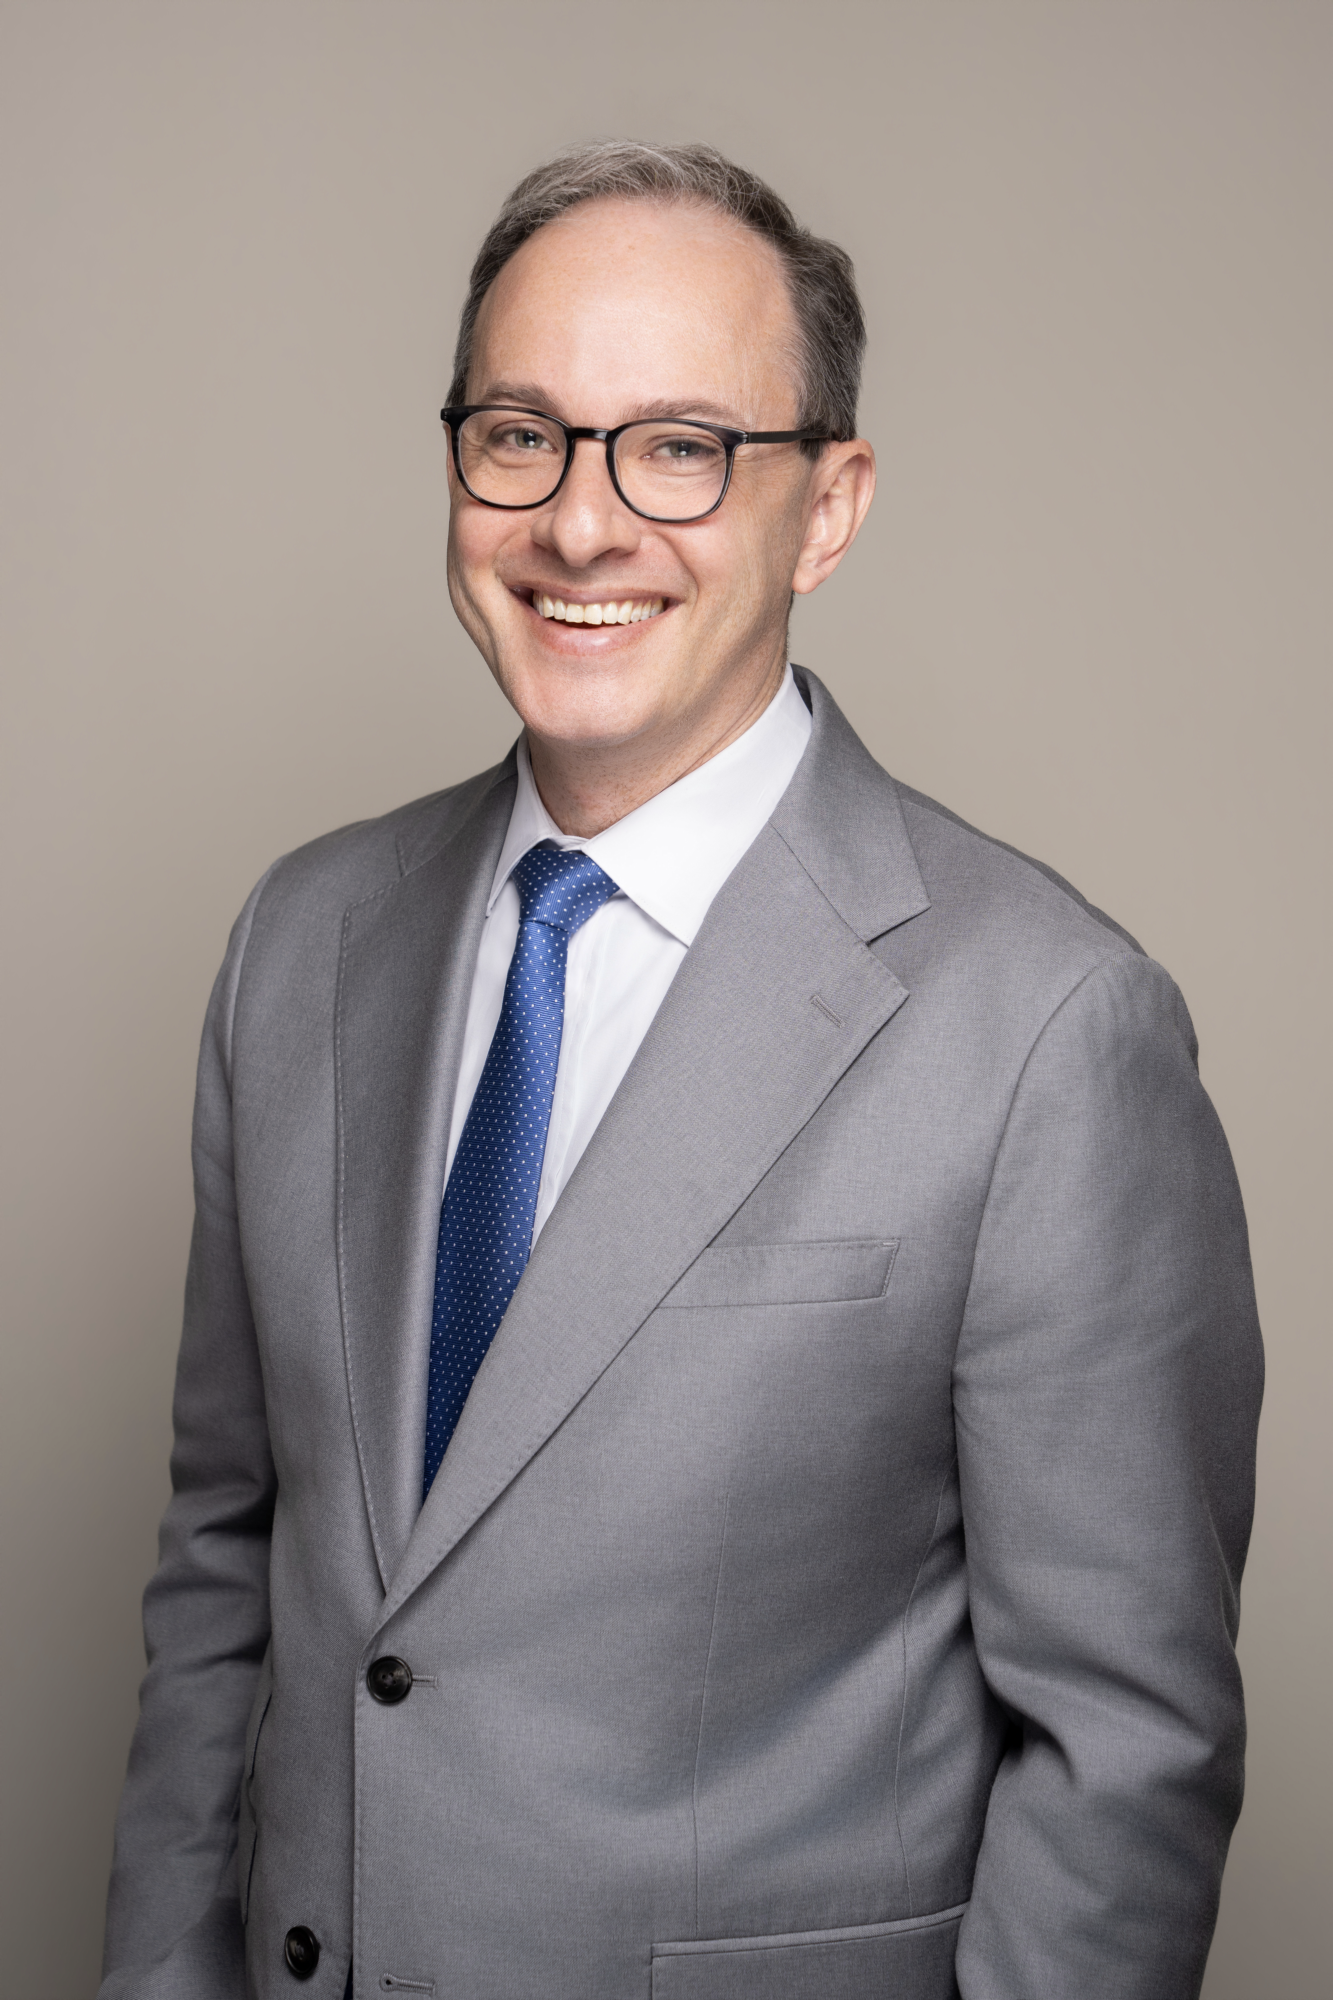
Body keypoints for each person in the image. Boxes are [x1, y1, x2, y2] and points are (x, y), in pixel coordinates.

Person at [100, 142, 1262, 2000]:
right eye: (523, 433)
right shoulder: (297, 946)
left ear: (828, 509)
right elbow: (228, 1564)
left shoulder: (1049, 1028)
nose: (582, 523)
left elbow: (1127, 1758)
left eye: (682, 447)